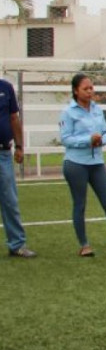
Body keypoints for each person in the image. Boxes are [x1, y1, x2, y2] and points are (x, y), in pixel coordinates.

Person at [60, 73, 106, 257]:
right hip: (76, 164)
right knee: (80, 204)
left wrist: (101, 140)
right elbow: (66, 138)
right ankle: (84, 245)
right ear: (75, 91)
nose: (89, 91)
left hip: (97, 163)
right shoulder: (68, 112)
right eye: (85, 88)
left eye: (91, 88)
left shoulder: (97, 110)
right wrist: (88, 140)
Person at [0, 76, 35, 258]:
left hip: (3, 153)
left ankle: (17, 244)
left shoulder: (6, 88)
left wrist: (20, 146)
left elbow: (14, 118)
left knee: (10, 201)